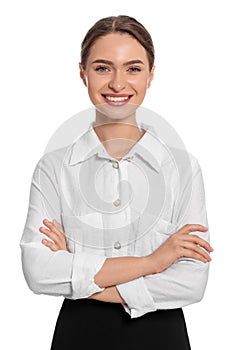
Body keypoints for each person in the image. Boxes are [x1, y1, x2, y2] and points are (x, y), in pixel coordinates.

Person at [19, 15, 213, 350]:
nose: (118, 83)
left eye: (133, 68)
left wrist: (77, 273)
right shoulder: (54, 167)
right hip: (78, 337)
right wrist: (153, 263)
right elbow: (38, 272)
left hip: (162, 338)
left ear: (151, 75)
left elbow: (191, 283)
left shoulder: (182, 168)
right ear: (83, 73)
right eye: (103, 68)